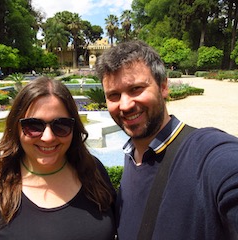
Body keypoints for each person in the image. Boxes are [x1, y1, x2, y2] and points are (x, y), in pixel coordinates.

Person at [95, 40, 238, 239]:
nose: (125, 105)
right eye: (114, 95)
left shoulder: (205, 152)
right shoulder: (132, 156)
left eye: (136, 89)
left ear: (163, 87)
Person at [0, 77, 116, 240]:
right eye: (33, 126)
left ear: (74, 128)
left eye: (61, 125)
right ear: (16, 128)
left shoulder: (93, 172)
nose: (48, 137)